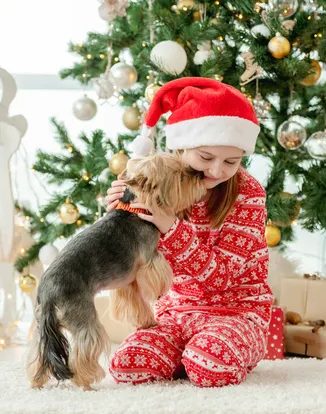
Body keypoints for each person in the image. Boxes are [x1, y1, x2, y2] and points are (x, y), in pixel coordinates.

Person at [104, 77, 273, 388]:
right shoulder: (158, 185)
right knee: (129, 365)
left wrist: (170, 226)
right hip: (175, 315)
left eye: (231, 161)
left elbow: (220, 277)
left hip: (236, 313)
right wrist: (121, 212)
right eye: (205, 157)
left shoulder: (248, 194)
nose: (218, 171)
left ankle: (203, 354)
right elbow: (130, 255)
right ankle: (185, 353)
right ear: (180, 146)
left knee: (211, 365)